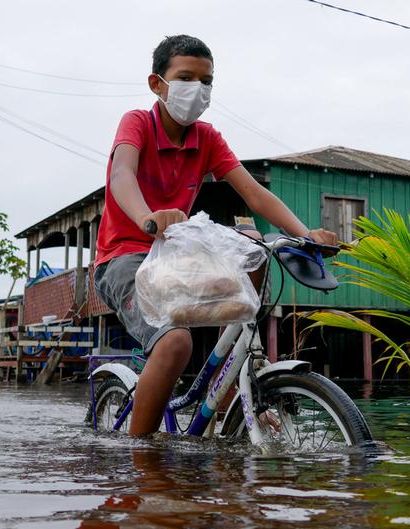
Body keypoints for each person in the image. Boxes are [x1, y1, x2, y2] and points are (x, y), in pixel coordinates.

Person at [94, 34, 337, 436]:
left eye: (206, 81)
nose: (198, 89)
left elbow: (255, 194)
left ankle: (225, 392)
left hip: (174, 257)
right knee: (175, 344)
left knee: (252, 259)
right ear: (158, 84)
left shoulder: (206, 138)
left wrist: (304, 234)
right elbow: (121, 175)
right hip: (124, 257)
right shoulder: (137, 122)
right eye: (186, 77)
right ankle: (144, 467)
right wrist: (146, 217)